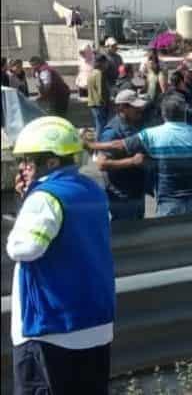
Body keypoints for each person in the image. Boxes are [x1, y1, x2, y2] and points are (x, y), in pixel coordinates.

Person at [8, 116, 115, 394]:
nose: (22, 167)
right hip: (95, 322)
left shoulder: (44, 197)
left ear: (52, 162)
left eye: (28, 160)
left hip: (50, 329)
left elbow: (22, 248)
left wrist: (29, 202)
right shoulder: (93, 190)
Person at [86, 94, 192, 217]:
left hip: (168, 201)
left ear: (164, 114)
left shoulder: (152, 134)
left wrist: (92, 145)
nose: (140, 110)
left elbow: (118, 145)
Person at [96, 90, 148, 221]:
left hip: (136, 192)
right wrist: (131, 161)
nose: (139, 109)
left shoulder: (134, 124)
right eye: (134, 107)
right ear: (122, 108)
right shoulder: (112, 132)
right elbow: (101, 164)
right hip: (122, 196)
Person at [87, 54, 112, 137]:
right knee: (101, 126)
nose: (107, 65)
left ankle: (98, 145)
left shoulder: (91, 72)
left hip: (93, 103)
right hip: (99, 104)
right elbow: (101, 91)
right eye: (106, 63)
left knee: (98, 125)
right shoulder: (99, 73)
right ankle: (99, 145)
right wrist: (106, 102)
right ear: (101, 63)